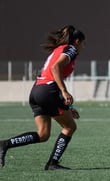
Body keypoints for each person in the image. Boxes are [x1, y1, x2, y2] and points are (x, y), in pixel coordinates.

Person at [0, 25, 85, 170]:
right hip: (48, 92)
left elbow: (49, 74)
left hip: (37, 91)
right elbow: (55, 68)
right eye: (83, 43)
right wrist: (64, 91)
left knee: (43, 134)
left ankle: (4, 144)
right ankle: (52, 163)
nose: (83, 47)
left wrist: (69, 108)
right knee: (70, 127)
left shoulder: (57, 50)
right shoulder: (71, 49)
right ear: (77, 41)